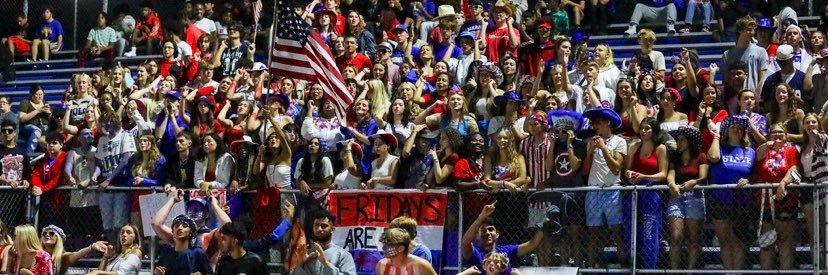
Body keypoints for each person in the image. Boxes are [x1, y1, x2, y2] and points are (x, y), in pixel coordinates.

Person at [707, 115, 754, 270]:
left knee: (738, 240)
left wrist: (748, 181)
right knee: (725, 240)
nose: (736, 129)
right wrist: (716, 136)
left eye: (740, 128)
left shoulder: (750, 152)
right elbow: (713, 158)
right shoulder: (720, 148)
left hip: (741, 201)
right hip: (720, 199)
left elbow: (753, 174)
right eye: (733, 127)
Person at [582, 108, 627, 267]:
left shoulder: (619, 142)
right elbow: (585, 171)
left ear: (608, 122)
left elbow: (616, 168)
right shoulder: (590, 142)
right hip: (593, 189)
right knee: (593, 232)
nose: (595, 126)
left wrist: (603, 148)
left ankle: (624, 265)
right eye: (594, 123)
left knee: (616, 231)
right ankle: (592, 265)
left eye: (599, 122)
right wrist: (591, 152)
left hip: (612, 189)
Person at [753, 123, 799, 270]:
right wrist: (768, 144)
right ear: (769, 135)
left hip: (785, 200)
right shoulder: (764, 150)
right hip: (765, 203)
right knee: (766, 243)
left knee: (785, 242)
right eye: (774, 132)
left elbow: (794, 169)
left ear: (786, 136)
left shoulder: (791, 151)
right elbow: (758, 156)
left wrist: (783, 183)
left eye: (781, 133)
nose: (778, 135)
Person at [624, 117, 668, 269]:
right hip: (634, 192)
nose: (643, 131)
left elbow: (663, 174)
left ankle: (650, 268)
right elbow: (627, 170)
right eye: (642, 128)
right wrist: (630, 175)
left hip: (651, 192)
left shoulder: (660, 148)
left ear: (654, 131)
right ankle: (633, 266)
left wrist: (644, 176)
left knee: (649, 232)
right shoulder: (635, 147)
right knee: (631, 231)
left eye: (647, 128)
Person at [461, 202, 544, 273]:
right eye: (483, 230)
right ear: (477, 236)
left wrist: (544, 226)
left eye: (490, 229)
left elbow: (531, 245)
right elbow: (465, 242)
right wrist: (482, 216)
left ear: (497, 234)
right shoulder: (475, 253)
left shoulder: (506, 250)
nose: (487, 233)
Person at [666, 127, 707, 269]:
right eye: (678, 139)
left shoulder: (701, 156)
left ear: (690, 141)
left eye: (682, 139)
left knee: (694, 238)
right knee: (676, 236)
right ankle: (674, 271)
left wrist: (694, 182)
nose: (679, 142)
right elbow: (670, 174)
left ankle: (690, 270)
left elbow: (703, 177)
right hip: (677, 196)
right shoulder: (675, 157)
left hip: (694, 197)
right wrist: (672, 184)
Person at [291, 210, 357, 275]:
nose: (319, 229)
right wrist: (300, 264)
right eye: (316, 225)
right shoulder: (308, 255)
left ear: (332, 229)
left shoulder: (343, 255)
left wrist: (325, 263)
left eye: (324, 226)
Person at [721, 16, 769, 93]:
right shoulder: (727, 55)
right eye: (749, 30)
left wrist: (757, 97)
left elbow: (762, 79)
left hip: (752, 98)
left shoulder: (761, 51)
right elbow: (726, 81)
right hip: (733, 99)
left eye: (753, 30)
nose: (752, 33)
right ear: (740, 30)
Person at [0, 119, 32, 227]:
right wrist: (7, 181)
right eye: (4, 131)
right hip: (2, 196)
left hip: (19, 197)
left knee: (18, 227)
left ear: (14, 133)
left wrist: (26, 181)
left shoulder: (22, 152)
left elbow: (28, 173)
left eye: (9, 130)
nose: (7, 133)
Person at [40, 225, 108, 275]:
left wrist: (91, 247)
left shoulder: (63, 257)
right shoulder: (36, 254)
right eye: (44, 233)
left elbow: (78, 254)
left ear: (59, 239)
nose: (47, 235)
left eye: (51, 233)